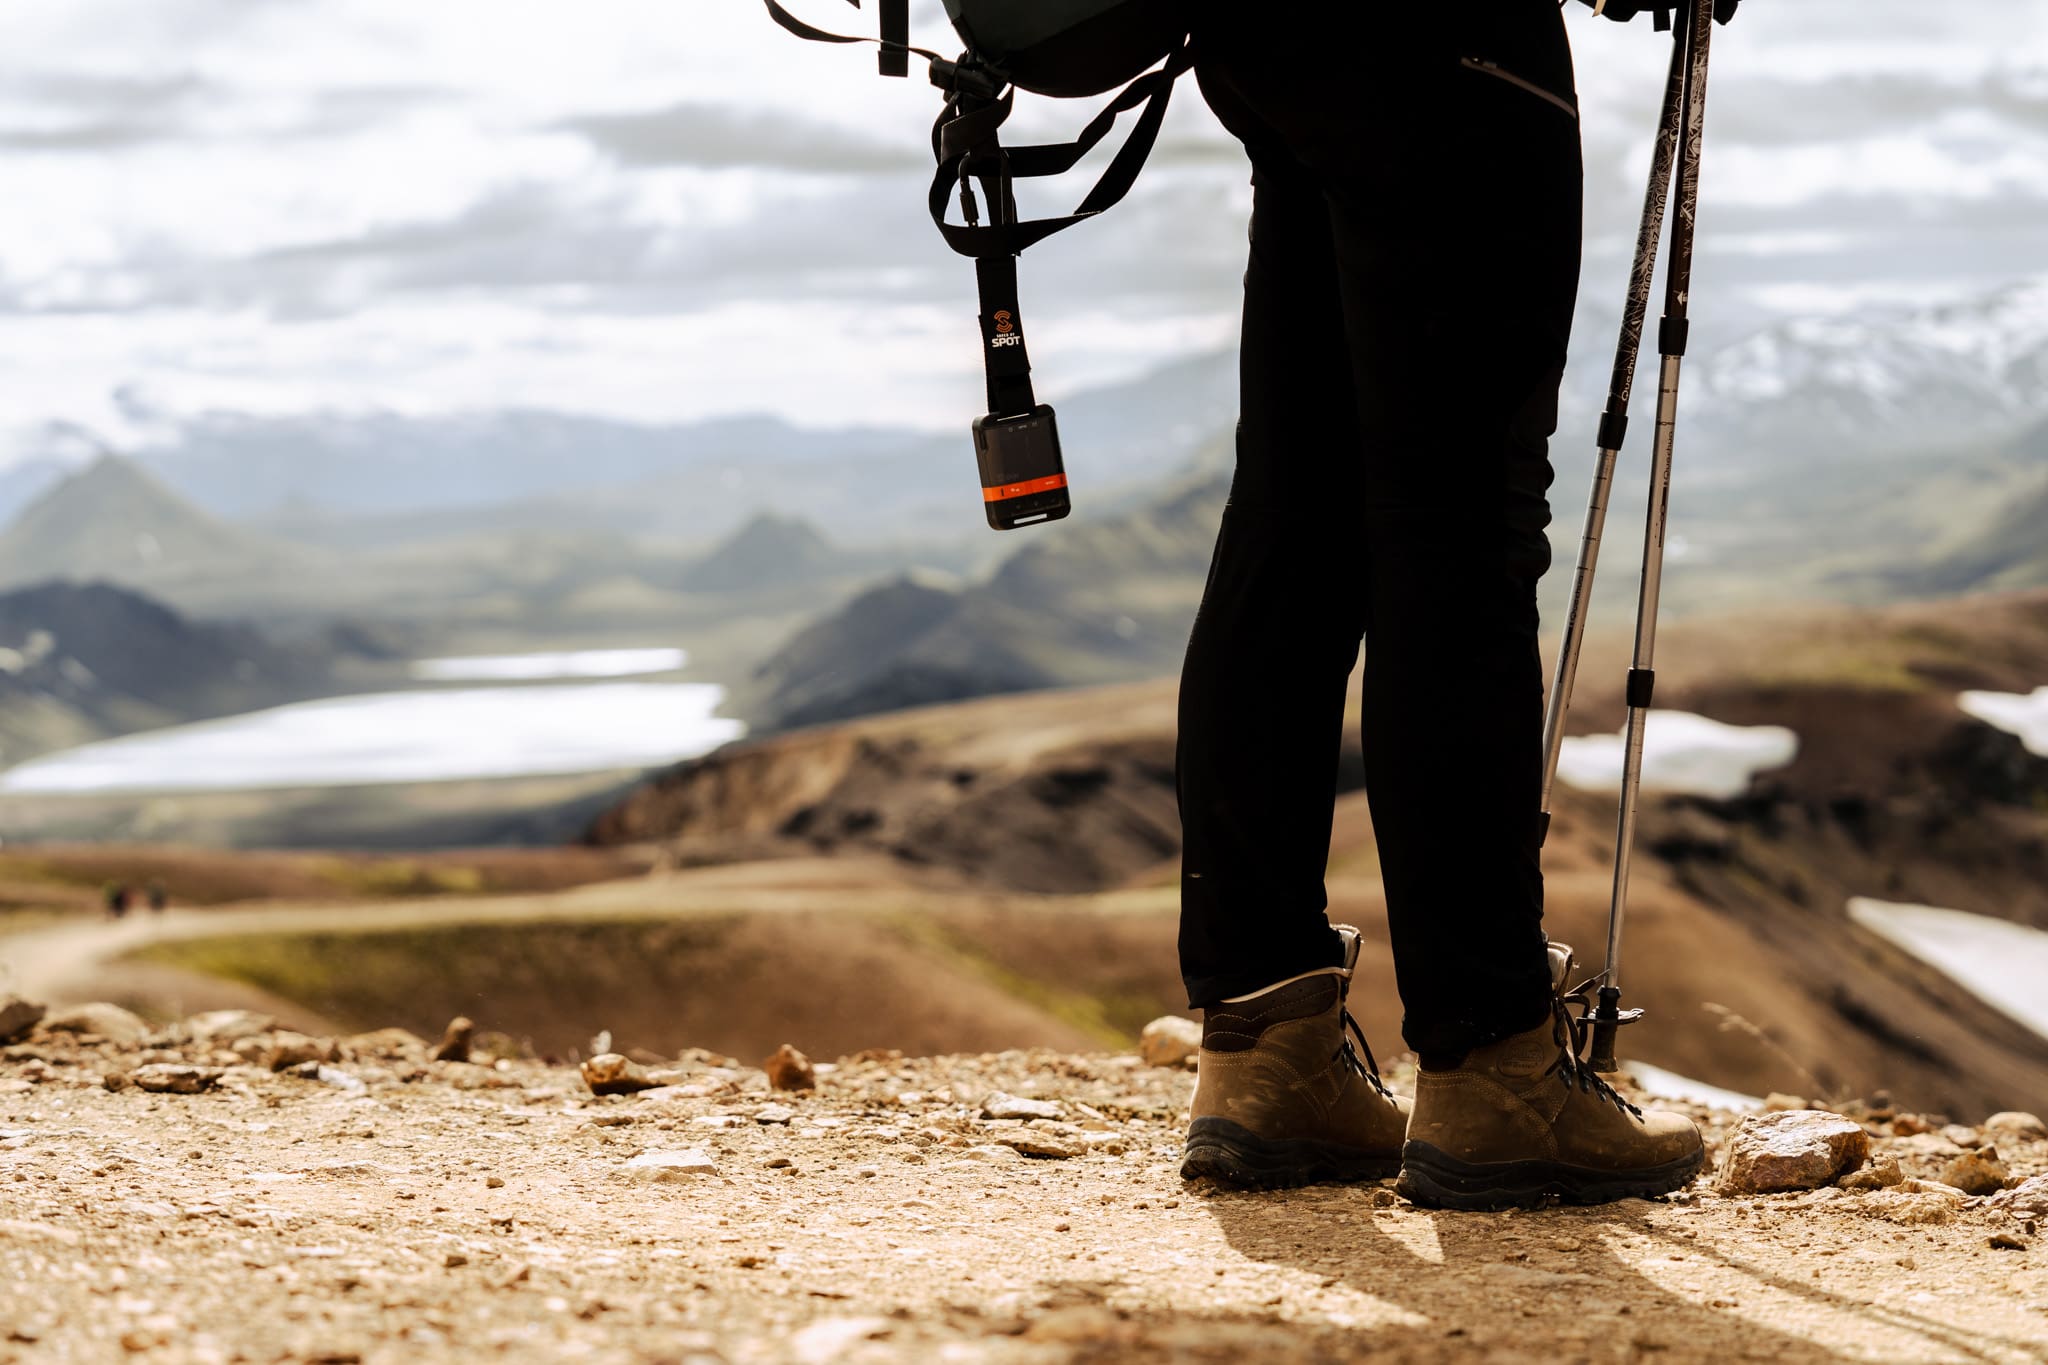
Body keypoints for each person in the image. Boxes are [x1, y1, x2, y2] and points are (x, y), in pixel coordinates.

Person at [1173, 0, 1735, 1208]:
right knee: (1457, 534)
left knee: (1292, 518)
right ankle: (1491, 1071)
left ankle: (1262, 1056)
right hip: (1444, 36)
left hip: (1260, 35)